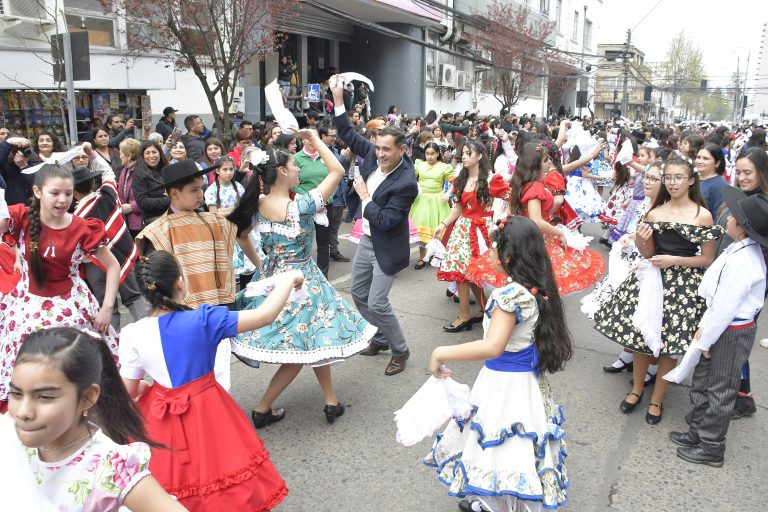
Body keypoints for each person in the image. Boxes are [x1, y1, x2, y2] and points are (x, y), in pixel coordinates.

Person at [120, 251, 291, 509]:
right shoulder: (203, 320)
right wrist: (290, 279)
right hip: (208, 409)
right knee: (221, 474)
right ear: (180, 282)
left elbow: (128, 389)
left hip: (159, 415)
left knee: (167, 485)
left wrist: (146, 386)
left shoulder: (132, 333)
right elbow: (265, 315)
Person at [424, 215, 571, 512]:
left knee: (500, 444)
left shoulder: (509, 295)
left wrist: (441, 351)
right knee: (515, 446)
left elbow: (493, 346)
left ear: (507, 256)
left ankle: (496, 504)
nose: (489, 254)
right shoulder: (535, 288)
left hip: (504, 384)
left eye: (493, 249)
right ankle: (496, 502)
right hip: (526, 383)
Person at [227, 133, 375, 427]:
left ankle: (331, 400)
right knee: (299, 347)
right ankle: (262, 407)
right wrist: (315, 139)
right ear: (281, 171)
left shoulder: (256, 203)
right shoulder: (303, 205)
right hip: (301, 281)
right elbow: (338, 170)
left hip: (272, 276)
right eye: (295, 165)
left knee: (314, 338)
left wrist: (262, 265)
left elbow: (242, 237)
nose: (299, 170)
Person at [594, 156, 721, 425]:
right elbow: (648, 252)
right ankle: (636, 389)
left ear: (691, 180)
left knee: (667, 346)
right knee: (640, 340)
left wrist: (674, 261)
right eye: (669, 177)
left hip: (683, 286)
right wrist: (641, 241)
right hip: (652, 279)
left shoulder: (702, 215)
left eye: (678, 177)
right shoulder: (654, 211)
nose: (673, 183)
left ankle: (657, 399)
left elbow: (707, 259)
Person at [9, 328, 186, 511]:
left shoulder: (110, 467)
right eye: (16, 394)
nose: (23, 412)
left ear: (87, 397)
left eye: (45, 397)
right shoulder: (9, 438)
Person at [0, 164, 120, 411]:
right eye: (55, 193)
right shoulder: (19, 217)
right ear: (37, 191)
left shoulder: (82, 228)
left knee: (76, 371)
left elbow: (114, 266)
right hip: (25, 305)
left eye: (68, 193)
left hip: (70, 306)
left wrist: (107, 307)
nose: (63, 199)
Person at [668, 188, 768, 467]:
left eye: (733, 216)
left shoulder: (743, 260)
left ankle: (711, 445)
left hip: (730, 330)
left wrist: (707, 339)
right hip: (721, 324)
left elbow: (725, 307)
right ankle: (697, 430)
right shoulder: (741, 249)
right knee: (704, 378)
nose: (727, 218)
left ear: (743, 228)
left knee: (720, 388)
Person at [330, 75, 419, 376]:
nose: (379, 154)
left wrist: (365, 196)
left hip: (387, 244)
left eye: (386, 150)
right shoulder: (371, 152)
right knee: (357, 293)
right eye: (377, 147)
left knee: (378, 303)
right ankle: (380, 337)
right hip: (367, 241)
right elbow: (346, 131)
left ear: (402, 150)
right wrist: (339, 99)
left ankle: (400, 349)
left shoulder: (406, 183)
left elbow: (384, 219)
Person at [135, 160, 258, 309]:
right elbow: (157, 277)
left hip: (219, 304)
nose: (201, 194)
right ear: (174, 193)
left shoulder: (214, 221)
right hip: (182, 309)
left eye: (201, 188)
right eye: (194, 190)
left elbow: (242, 228)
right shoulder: (157, 231)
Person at [713, 147, 768, 418]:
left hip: (746, 285)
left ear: (762, 173)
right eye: (740, 171)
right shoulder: (735, 196)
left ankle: (741, 397)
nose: (743, 177)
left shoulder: (762, 206)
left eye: (749, 172)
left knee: (736, 341)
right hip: (723, 273)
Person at [434, 140, 509, 332]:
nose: (464, 156)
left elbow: (513, 199)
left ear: (480, 156)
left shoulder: (493, 180)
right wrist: (443, 224)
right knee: (462, 274)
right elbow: (458, 208)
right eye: (463, 153)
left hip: (483, 232)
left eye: (468, 153)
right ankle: (469, 314)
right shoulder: (461, 178)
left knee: (478, 274)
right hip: (462, 230)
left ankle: (480, 312)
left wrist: (504, 221)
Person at [71, 165, 146, 330]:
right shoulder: (109, 197)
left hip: (95, 264)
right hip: (121, 255)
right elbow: (108, 173)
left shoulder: (76, 218)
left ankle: (114, 344)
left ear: (73, 193)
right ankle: (149, 333)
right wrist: (91, 154)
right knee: (133, 297)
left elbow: (79, 250)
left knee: (106, 305)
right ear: (92, 183)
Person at [204, 156, 256, 283]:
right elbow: (214, 213)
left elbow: (244, 207)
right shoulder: (212, 190)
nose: (229, 172)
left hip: (240, 229)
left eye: (231, 169)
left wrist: (233, 211)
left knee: (247, 268)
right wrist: (234, 211)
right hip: (224, 232)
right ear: (217, 171)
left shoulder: (238, 186)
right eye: (225, 169)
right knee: (229, 271)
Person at [411, 142, 454, 269]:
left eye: (432, 154)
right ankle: (421, 257)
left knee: (437, 229)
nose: (430, 157)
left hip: (438, 200)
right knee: (421, 229)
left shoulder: (444, 167)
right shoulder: (419, 164)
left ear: (438, 154)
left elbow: (455, 183)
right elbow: (411, 179)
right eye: (427, 154)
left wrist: (448, 193)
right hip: (421, 200)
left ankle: (436, 256)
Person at [132, 140, 171, 226]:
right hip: (153, 222)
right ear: (142, 156)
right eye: (147, 153)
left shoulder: (168, 169)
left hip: (173, 218)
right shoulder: (139, 174)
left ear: (160, 153)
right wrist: (170, 200)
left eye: (154, 152)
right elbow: (142, 202)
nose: (151, 156)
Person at [117, 138, 143, 238]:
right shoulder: (125, 169)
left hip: (139, 224)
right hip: (126, 222)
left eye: (121, 153)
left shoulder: (141, 171)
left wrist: (132, 207)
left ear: (129, 156)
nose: (119, 156)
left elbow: (149, 196)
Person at [0, 136, 36, 206]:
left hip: (31, 210)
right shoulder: (3, 165)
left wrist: (24, 167)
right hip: (11, 210)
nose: (19, 153)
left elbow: (38, 184)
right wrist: (8, 143)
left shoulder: (34, 163)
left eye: (22, 149)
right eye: (15, 149)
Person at [696, 143, 728, 214]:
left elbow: (718, 215)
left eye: (705, 158)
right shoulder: (693, 179)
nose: (699, 161)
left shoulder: (720, 185)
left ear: (717, 163)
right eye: (698, 157)